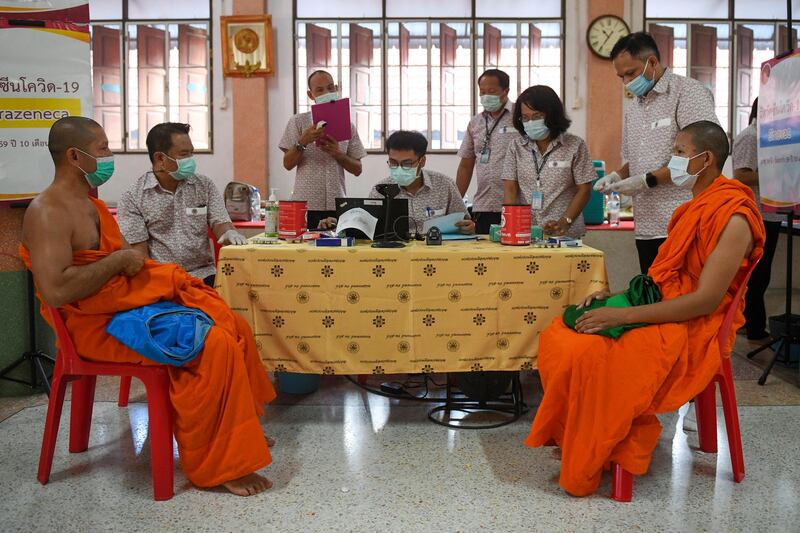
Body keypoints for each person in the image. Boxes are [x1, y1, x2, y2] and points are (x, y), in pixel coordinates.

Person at [21, 117, 277, 497]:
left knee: (231, 325)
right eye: (104, 148)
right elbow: (57, 290)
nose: (110, 156)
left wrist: (129, 268)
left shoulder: (86, 203)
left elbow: (115, 265)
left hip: (121, 308)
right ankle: (216, 463)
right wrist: (118, 263)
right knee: (213, 343)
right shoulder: (48, 211)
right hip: (96, 326)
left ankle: (238, 434)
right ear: (75, 155)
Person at [525, 121, 765, 497]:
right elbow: (662, 279)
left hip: (695, 324)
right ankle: (581, 438)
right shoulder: (692, 209)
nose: (674, 160)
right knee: (562, 334)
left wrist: (622, 316)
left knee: (597, 353)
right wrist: (614, 297)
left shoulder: (734, 215)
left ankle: (606, 448)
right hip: (663, 305)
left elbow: (704, 300)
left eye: (681, 152)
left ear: (707, 159)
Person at [594, 32, 719, 273]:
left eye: (630, 73)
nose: (626, 82)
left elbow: (700, 157)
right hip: (647, 225)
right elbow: (635, 160)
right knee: (653, 298)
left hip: (684, 221)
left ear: (652, 62)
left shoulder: (687, 93)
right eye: (621, 77)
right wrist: (617, 177)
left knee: (682, 301)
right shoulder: (634, 108)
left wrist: (646, 181)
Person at [117, 122, 246, 288]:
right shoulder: (133, 197)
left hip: (204, 276)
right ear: (160, 158)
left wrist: (229, 232)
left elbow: (221, 222)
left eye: (192, 153)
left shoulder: (204, 185)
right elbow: (139, 256)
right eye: (184, 155)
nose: (190, 160)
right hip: (161, 279)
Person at [502, 85, 594, 239]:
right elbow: (510, 188)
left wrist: (565, 222)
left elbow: (584, 190)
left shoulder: (575, 145)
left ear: (552, 114)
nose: (530, 122)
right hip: (526, 231)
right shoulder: (516, 146)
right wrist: (512, 225)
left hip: (566, 233)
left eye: (537, 116)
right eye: (525, 117)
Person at [279, 70, 367, 230]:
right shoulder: (298, 122)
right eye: (319, 90)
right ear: (310, 94)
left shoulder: (347, 125)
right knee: (304, 250)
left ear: (336, 89)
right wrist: (303, 141)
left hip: (338, 203)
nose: (326, 93)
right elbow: (287, 164)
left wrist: (338, 154)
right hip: (305, 204)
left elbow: (358, 169)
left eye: (330, 88)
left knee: (337, 251)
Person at [732, 98, 781, 340]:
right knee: (756, 276)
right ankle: (753, 328)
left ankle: (751, 324)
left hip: (769, 214)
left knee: (761, 275)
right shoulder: (750, 136)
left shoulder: (769, 138)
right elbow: (741, 175)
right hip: (756, 215)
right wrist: (778, 171)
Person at [370, 130, 474, 235]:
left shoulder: (444, 185)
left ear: (422, 161)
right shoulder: (380, 190)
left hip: (435, 247)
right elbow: (369, 229)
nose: (399, 169)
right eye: (393, 163)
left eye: (407, 163)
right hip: (396, 249)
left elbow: (464, 222)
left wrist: (468, 227)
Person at [455, 69, 516, 234]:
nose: (486, 96)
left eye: (492, 91)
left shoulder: (520, 117)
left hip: (517, 205)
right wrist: (455, 201)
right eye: (482, 92)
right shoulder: (475, 123)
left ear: (506, 91)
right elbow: (466, 165)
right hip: (484, 205)